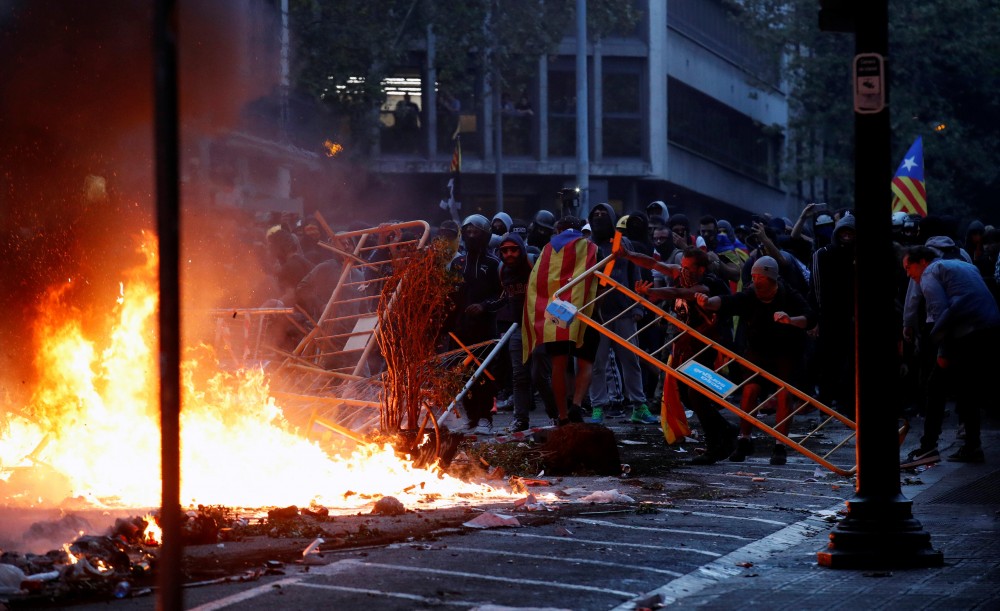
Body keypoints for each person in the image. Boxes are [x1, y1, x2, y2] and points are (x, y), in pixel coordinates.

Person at [620, 246, 738, 463]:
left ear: (701, 269)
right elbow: (654, 264)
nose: (683, 271)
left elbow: (679, 293)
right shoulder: (680, 274)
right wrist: (628, 254)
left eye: (688, 268)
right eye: (682, 266)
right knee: (686, 396)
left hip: (704, 347)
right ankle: (725, 429)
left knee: (696, 395)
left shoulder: (707, 285)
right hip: (684, 346)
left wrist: (653, 293)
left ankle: (717, 444)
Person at [695, 255, 816, 465]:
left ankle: (780, 444)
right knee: (750, 390)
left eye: (760, 279)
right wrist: (708, 302)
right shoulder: (750, 295)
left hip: (786, 351)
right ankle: (744, 439)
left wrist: (790, 320)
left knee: (784, 394)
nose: (756, 284)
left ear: (772, 280)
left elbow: (809, 317)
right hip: (757, 351)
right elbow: (727, 302)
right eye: (753, 279)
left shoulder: (789, 295)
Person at [901, 245, 1000, 464]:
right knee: (968, 389)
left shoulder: (929, 273)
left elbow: (940, 311)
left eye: (909, 267)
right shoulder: (963, 265)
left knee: (935, 387)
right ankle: (972, 446)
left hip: (965, 333)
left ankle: (928, 447)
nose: (908, 274)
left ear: (922, 262)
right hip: (989, 328)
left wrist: (939, 345)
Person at [522, 215, 599, 425]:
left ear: (558, 230)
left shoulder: (547, 250)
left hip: (556, 313)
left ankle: (563, 415)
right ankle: (577, 404)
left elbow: (535, 283)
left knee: (559, 364)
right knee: (585, 363)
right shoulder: (591, 247)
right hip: (586, 312)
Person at [587, 204, 658, 425]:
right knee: (597, 363)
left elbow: (634, 273)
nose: (599, 218)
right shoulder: (588, 246)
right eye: (595, 215)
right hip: (597, 313)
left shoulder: (622, 242)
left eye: (603, 215)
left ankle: (639, 405)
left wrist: (638, 307)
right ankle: (597, 407)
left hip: (624, 310)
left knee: (631, 360)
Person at [447, 215, 502, 434]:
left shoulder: (494, 264)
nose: (471, 236)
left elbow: (503, 295)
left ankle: (485, 418)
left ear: (485, 235)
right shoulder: (457, 263)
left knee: (483, 374)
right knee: (459, 373)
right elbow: (448, 296)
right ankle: (470, 416)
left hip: (484, 328)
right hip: (460, 328)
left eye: (476, 232)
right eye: (467, 232)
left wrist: (484, 306)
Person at [485, 232, 536, 432]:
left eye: (513, 249)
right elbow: (506, 296)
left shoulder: (533, 263)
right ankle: (521, 419)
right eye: (504, 250)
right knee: (519, 375)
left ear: (521, 249)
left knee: (541, 374)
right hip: (518, 327)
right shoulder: (502, 270)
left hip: (539, 324)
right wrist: (485, 306)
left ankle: (556, 414)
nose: (509, 254)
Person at [809, 214, 856, 416]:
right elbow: (816, 288)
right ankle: (826, 407)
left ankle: (847, 407)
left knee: (850, 365)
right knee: (829, 364)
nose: (847, 236)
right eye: (843, 232)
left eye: (850, 232)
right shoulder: (823, 254)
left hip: (851, 318)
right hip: (829, 317)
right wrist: (817, 318)